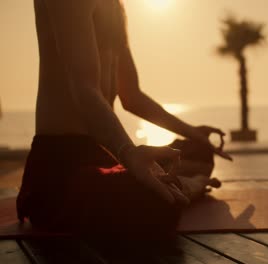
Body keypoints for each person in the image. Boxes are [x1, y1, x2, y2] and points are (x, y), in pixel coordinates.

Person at [17, 0, 232, 241]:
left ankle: (178, 180)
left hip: (105, 151)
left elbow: (132, 97)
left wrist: (193, 133)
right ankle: (192, 183)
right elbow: (84, 89)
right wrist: (130, 153)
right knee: (151, 202)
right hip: (63, 163)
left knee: (198, 151)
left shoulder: (116, 6)